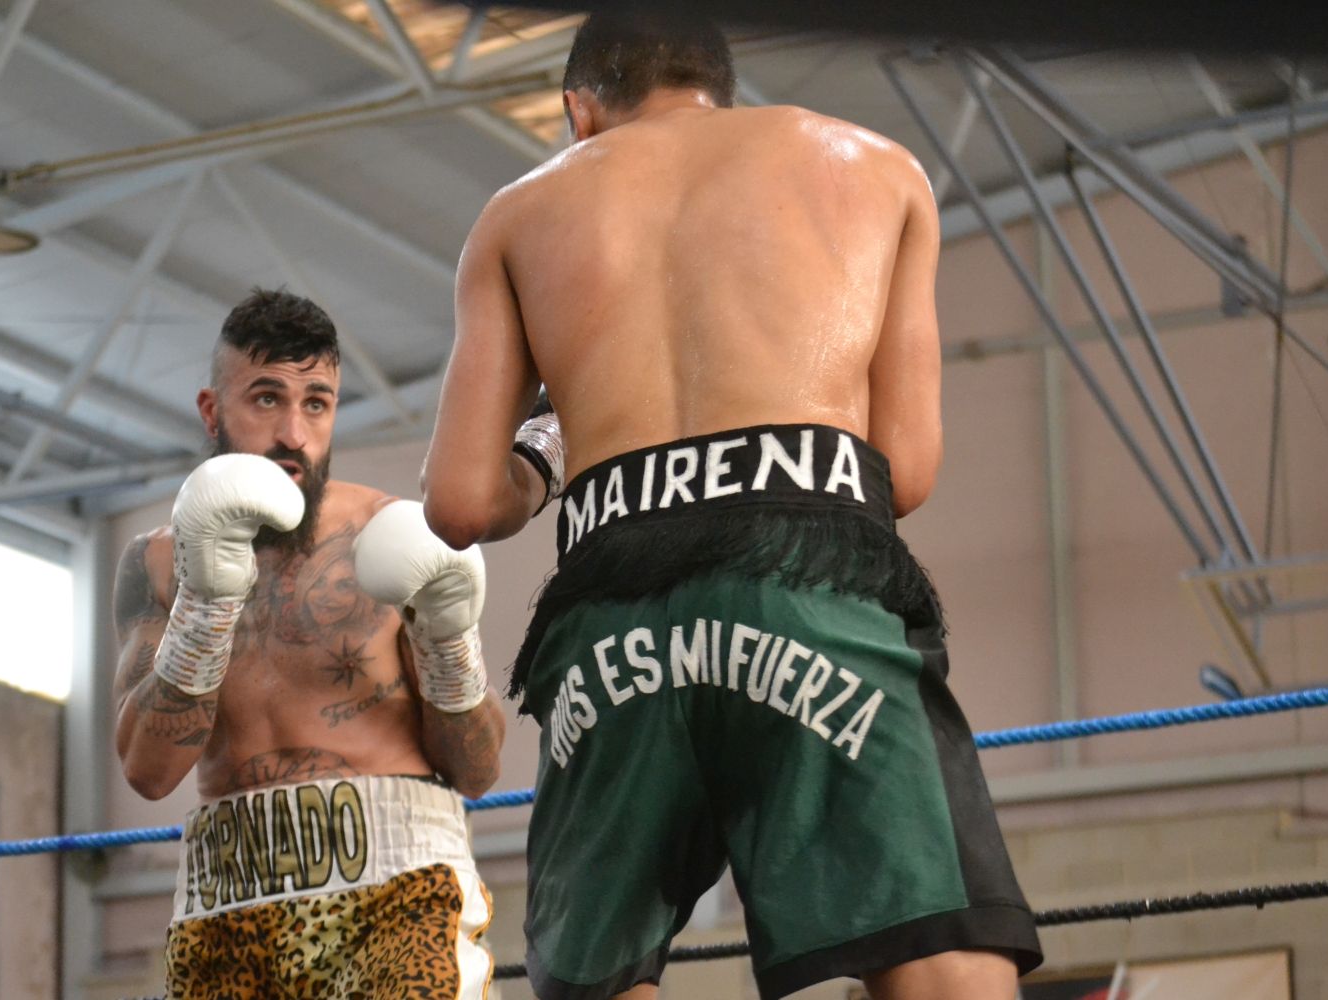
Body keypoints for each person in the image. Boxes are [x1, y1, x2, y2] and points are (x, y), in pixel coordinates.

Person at [420, 10, 1042, 1000]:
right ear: (721, 85)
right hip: (811, 585)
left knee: (594, 977)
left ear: (579, 110)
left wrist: (552, 446)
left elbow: (456, 503)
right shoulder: (880, 169)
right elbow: (905, 472)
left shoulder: (515, 213)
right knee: (935, 943)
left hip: (609, 621)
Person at [112, 288, 506, 999]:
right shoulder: (158, 564)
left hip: (396, 888)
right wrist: (204, 609)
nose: (294, 432)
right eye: (266, 399)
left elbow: (477, 770)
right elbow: (147, 770)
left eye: (316, 403)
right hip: (225, 903)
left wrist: (450, 641)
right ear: (212, 410)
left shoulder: (395, 535)